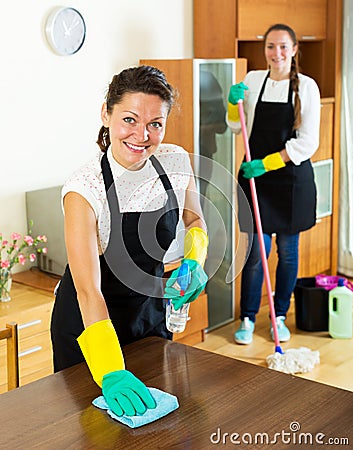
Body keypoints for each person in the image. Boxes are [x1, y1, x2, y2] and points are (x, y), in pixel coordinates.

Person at [51, 65, 208, 417]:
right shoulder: (85, 190)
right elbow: (89, 291)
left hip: (149, 313)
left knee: (157, 422)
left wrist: (194, 260)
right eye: (130, 119)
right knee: (88, 426)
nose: (142, 135)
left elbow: (195, 217)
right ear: (106, 114)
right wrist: (111, 370)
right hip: (91, 323)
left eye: (155, 123)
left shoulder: (174, 160)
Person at [227, 24, 321, 345]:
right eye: (270, 46)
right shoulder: (253, 80)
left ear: (294, 49)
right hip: (257, 183)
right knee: (257, 252)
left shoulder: (306, 87)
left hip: (290, 181)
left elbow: (308, 143)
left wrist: (266, 163)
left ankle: (279, 315)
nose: (276, 53)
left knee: (288, 252)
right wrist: (232, 103)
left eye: (283, 47)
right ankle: (248, 318)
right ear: (264, 49)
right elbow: (236, 126)